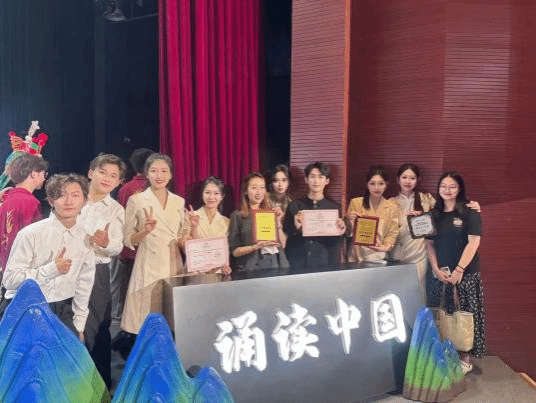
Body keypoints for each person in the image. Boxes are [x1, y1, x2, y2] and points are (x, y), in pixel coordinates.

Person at [1, 174, 95, 341]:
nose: (69, 201)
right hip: (24, 309)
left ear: (85, 201)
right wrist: (51, 270)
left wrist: (79, 325)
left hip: (62, 310)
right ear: (51, 201)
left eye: (75, 195)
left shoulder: (85, 238)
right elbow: (10, 280)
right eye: (61, 195)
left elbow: (84, 284)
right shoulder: (30, 234)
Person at [390, 163, 480, 303]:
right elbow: (387, 230)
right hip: (399, 253)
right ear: (398, 179)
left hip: (423, 253)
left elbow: (446, 208)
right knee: (399, 292)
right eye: (404, 177)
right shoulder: (390, 203)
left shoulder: (426, 198)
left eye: (412, 178)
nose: (408, 181)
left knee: (422, 293)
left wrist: (474, 206)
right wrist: (406, 220)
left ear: (418, 180)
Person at [121, 153, 189, 335]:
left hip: (173, 265)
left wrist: (189, 233)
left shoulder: (178, 201)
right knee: (146, 320)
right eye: (154, 171)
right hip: (148, 265)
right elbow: (127, 239)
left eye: (164, 171)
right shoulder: (137, 200)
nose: (159, 176)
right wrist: (145, 231)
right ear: (146, 174)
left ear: (171, 174)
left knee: (172, 320)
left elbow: (182, 236)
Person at [426, 172, 485, 374]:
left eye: (452, 186)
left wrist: (459, 269)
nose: (447, 190)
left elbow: (474, 242)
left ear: (459, 189)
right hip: (441, 275)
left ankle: (465, 360)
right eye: (443, 186)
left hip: (465, 274)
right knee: (443, 315)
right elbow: (429, 244)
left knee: (464, 316)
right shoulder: (433, 215)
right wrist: (435, 269)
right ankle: (445, 356)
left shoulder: (470, 212)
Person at [77, 153, 126, 389]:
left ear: (119, 182)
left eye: (113, 176)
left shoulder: (115, 209)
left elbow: (117, 247)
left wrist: (105, 243)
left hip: (97, 272)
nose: (107, 178)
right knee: (67, 324)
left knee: (97, 328)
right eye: (103, 172)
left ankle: (100, 386)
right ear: (90, 172)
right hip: (66, 270)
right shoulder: (73, 197)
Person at [111, 148, 153, 321]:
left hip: (130, 250)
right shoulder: (154, 188)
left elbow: (121, 220)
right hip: (149, 248)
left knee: (128, 291)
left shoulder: (126, 188)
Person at [284, 162, 347, 269]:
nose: (316, 181)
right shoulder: (294, 206)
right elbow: (287, 232)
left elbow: (337, 242)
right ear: (306, 180)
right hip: (298, 263)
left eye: (320, 177)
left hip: (324, 263)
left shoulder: (335, 208)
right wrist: (296, 227)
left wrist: (341, 231)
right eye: (312, 177)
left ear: (327, 181)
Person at [229, 172, 289, 271]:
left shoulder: (270, 213)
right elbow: (235, 251)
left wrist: (278, 222)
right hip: (250, 269)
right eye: (254, 188)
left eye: (262, 187)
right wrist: (255, 247)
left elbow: (283, 245)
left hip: (273, 267)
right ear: (246, 191)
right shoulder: (238, 216)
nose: (259, 192)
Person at [0, 154, 48, 275]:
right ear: (34, 174)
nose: (44, 179)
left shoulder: (7, 199)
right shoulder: (31, 202)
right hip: (21, 269)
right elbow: (32, 240)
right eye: (43, 174)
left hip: (5, 266)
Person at [347, 166, 398, 263]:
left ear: (386, 184)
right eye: (372, 183)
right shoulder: (356, 203)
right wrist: (348, 221)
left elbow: (392, 233)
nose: (376, 188)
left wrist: (385, 247)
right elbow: (348, 233)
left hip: (379, 256)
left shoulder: (392, 206)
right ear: (367, 184)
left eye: (381, 184)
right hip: (356, 257)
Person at [185, 176, 232, 275]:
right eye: (207, 193)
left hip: (217, 272)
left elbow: (225, 252)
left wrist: (225, 266)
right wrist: (194, 227)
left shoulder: (227, 222)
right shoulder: (190, 216)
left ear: (222, 196)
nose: (211, 197)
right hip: (195, 272)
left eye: (216, 193)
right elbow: (186, 247)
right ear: (202, 194)